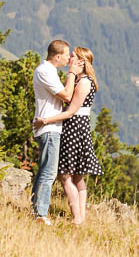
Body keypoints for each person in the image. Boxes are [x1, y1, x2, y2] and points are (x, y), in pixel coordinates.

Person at [34, 46, 102, 225]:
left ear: (81, 61)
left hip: (75, 129)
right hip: (72, 128)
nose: (69, 59)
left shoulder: (84, 82)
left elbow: (71, 112)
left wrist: (46, 120)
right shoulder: (77, 80)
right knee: (76, 176)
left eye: (72, 56)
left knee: (66, 175)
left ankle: (78, 218)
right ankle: (79, 218)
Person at [29, 39, 83, 225]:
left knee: (44, 169)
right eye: (66, 55)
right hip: (49, 129)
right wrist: (72, 74)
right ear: (58, 56)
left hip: (50, 127)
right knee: (49, 172)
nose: (68, 58)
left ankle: (36, 209)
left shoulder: (47, 71)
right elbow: (67, 96)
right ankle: (40, 214)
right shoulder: (45, 71)